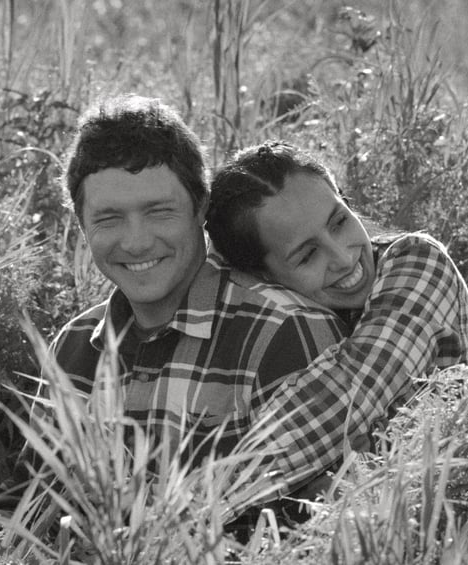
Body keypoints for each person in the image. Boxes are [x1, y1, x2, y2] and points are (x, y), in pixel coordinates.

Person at [47, 97, 347, 473]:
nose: (136, 242)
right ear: (81, 225)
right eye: (109, 219)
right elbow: (34, 507)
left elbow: (317, 515)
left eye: (159, 211)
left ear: (201, 206)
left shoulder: (283, 333)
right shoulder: (73, 348)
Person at [205, 140, 468, 502]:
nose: (342, 257)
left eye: (339, 221)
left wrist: (199, 511)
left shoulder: (418, 262)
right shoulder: (287, 320)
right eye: (308, 255)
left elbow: (349, 394)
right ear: (262, 277)